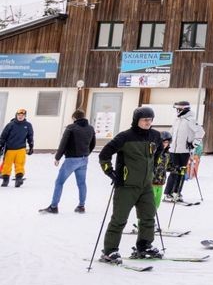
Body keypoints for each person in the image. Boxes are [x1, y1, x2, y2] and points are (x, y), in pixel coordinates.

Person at [97, 106, 166, 264]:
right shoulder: (125, 137)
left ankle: (144, 246)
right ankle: (110, 251)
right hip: (126, 186)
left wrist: (153, 170)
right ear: (137, 120)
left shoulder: (155, 136)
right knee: (119, 219)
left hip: (146, 186)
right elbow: (104, 154)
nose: (148, 122)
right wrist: (111, 173)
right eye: (145, 120)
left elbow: (159, 151)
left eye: (150, 120)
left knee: (148, 217)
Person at [40, 110, 95, 213]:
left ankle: (53, 207)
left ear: (74, 118)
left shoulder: (71, 128)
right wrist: (86, 153)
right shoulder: (90, 128)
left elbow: (63, 143)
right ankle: (81, 206)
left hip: (71, 160)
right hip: (84, 159)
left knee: (59, 182)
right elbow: (93, 144)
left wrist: (57, 157)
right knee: (82, 183)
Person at [164, 100, 204, 202]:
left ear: (184, 109)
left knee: (181, 172)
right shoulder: (177, 120)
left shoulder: (190, 120)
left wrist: (193, 144)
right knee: (173, 172)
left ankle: (177, 192)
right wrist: (167, 142)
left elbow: (200, 132)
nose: (177, 111)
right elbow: (172, 132)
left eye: (178, 109)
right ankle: (168, 193)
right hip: (173, 150)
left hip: (184, 151)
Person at [1, 108, 34, 187]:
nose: (20, 117)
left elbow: (30, 136)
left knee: (20, 165)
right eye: (19, 115)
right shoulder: (10, 125)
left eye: (22, 115)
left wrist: (31, 146)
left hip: (21, 149)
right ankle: (5, 180)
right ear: (16, 115)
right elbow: (3, 136)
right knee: (7, 165)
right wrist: (1, 145)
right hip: (10, 149)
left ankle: (18, 180)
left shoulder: (28, 125)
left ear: (25, 116)